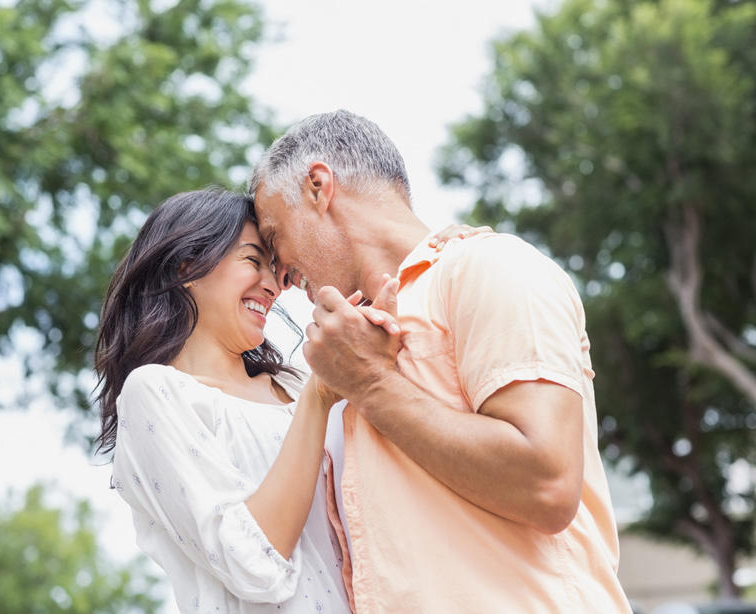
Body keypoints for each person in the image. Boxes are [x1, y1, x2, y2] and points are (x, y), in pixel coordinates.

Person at [249, 110, 633, 613]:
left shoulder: (490, 267)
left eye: (274, 239)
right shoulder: (345, 353)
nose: (279, 277)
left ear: (319, 186)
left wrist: (371, 383)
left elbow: (548, 484)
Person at [94, 188, 404, 613]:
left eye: (275, 269)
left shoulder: (297, 384)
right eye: (253, 261)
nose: (274, 286)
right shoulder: (155, 393)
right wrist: (319, 395)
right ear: (188, 266)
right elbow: (254, 564)